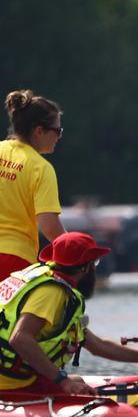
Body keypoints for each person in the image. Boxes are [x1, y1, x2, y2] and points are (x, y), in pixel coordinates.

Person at [0, 232, 138, 396]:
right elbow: (20, 338)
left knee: (77, 381)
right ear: (86, 267)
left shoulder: (43, 279)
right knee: (82, 392)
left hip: (12, 376)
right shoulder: (52, 293)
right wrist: (62, 380)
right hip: (11, 383)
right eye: (94, 263)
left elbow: (97, 346)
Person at [0, 89, 67, 278]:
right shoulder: (40, 168)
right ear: (39, 131)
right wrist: (77, 253)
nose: (59, 137)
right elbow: (50, 228)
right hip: (14, 259)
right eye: (57, 130)